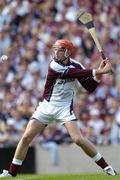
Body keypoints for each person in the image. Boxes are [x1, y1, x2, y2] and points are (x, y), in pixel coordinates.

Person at [0, 39, 117, 177]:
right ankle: (11, 172)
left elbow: (89, 87)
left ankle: (107, 168)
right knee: (26, 137)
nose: (56, 52)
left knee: (78, 140)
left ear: (67, 52)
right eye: (55, 49)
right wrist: (101, 71)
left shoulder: (77, 65)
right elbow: (73, 74)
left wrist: (98, 75)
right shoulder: (54, 65)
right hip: (47, 106)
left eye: (60, 50)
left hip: (64, 109)